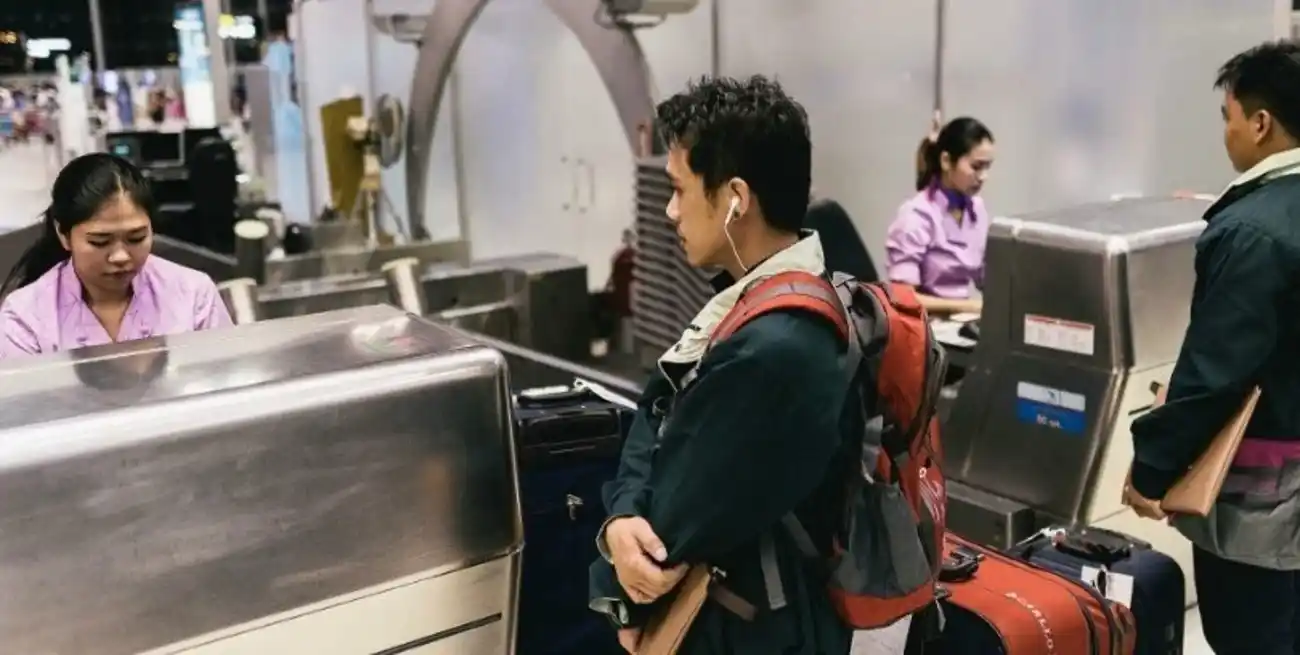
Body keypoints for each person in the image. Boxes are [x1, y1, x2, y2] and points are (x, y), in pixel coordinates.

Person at [587, 75, 856, 655]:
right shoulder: (760, 297)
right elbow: (656, 399)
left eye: (681, 190)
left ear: (735, 198)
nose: (669, 210)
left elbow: (670, 529)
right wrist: (622, 515)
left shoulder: (775, 348)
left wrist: (616, 570)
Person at [1123, 40, 1300, 655]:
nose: (1226, 136)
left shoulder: (1253, 233)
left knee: (1252, 631)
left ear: (1260, 123)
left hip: (1265, 500)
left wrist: (1153, 467)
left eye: (1227, 119)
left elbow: (1217, 370)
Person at [0, 153, 232, 358]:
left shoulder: (194, 295)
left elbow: (223, 383)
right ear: (63, 234)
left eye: (136, 238)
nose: (120, 256)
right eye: (100, 241)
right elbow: (27, 404)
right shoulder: (25, 318)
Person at [885, 114, 995, 316]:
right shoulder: (916, 216)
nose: (983, 177)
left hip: (962, 322)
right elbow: (903, 298)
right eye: (976, 167)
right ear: (946, 161)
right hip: (926, 330)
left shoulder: (976, 209)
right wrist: (968, 307)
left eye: (988, 167)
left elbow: (987, 279)